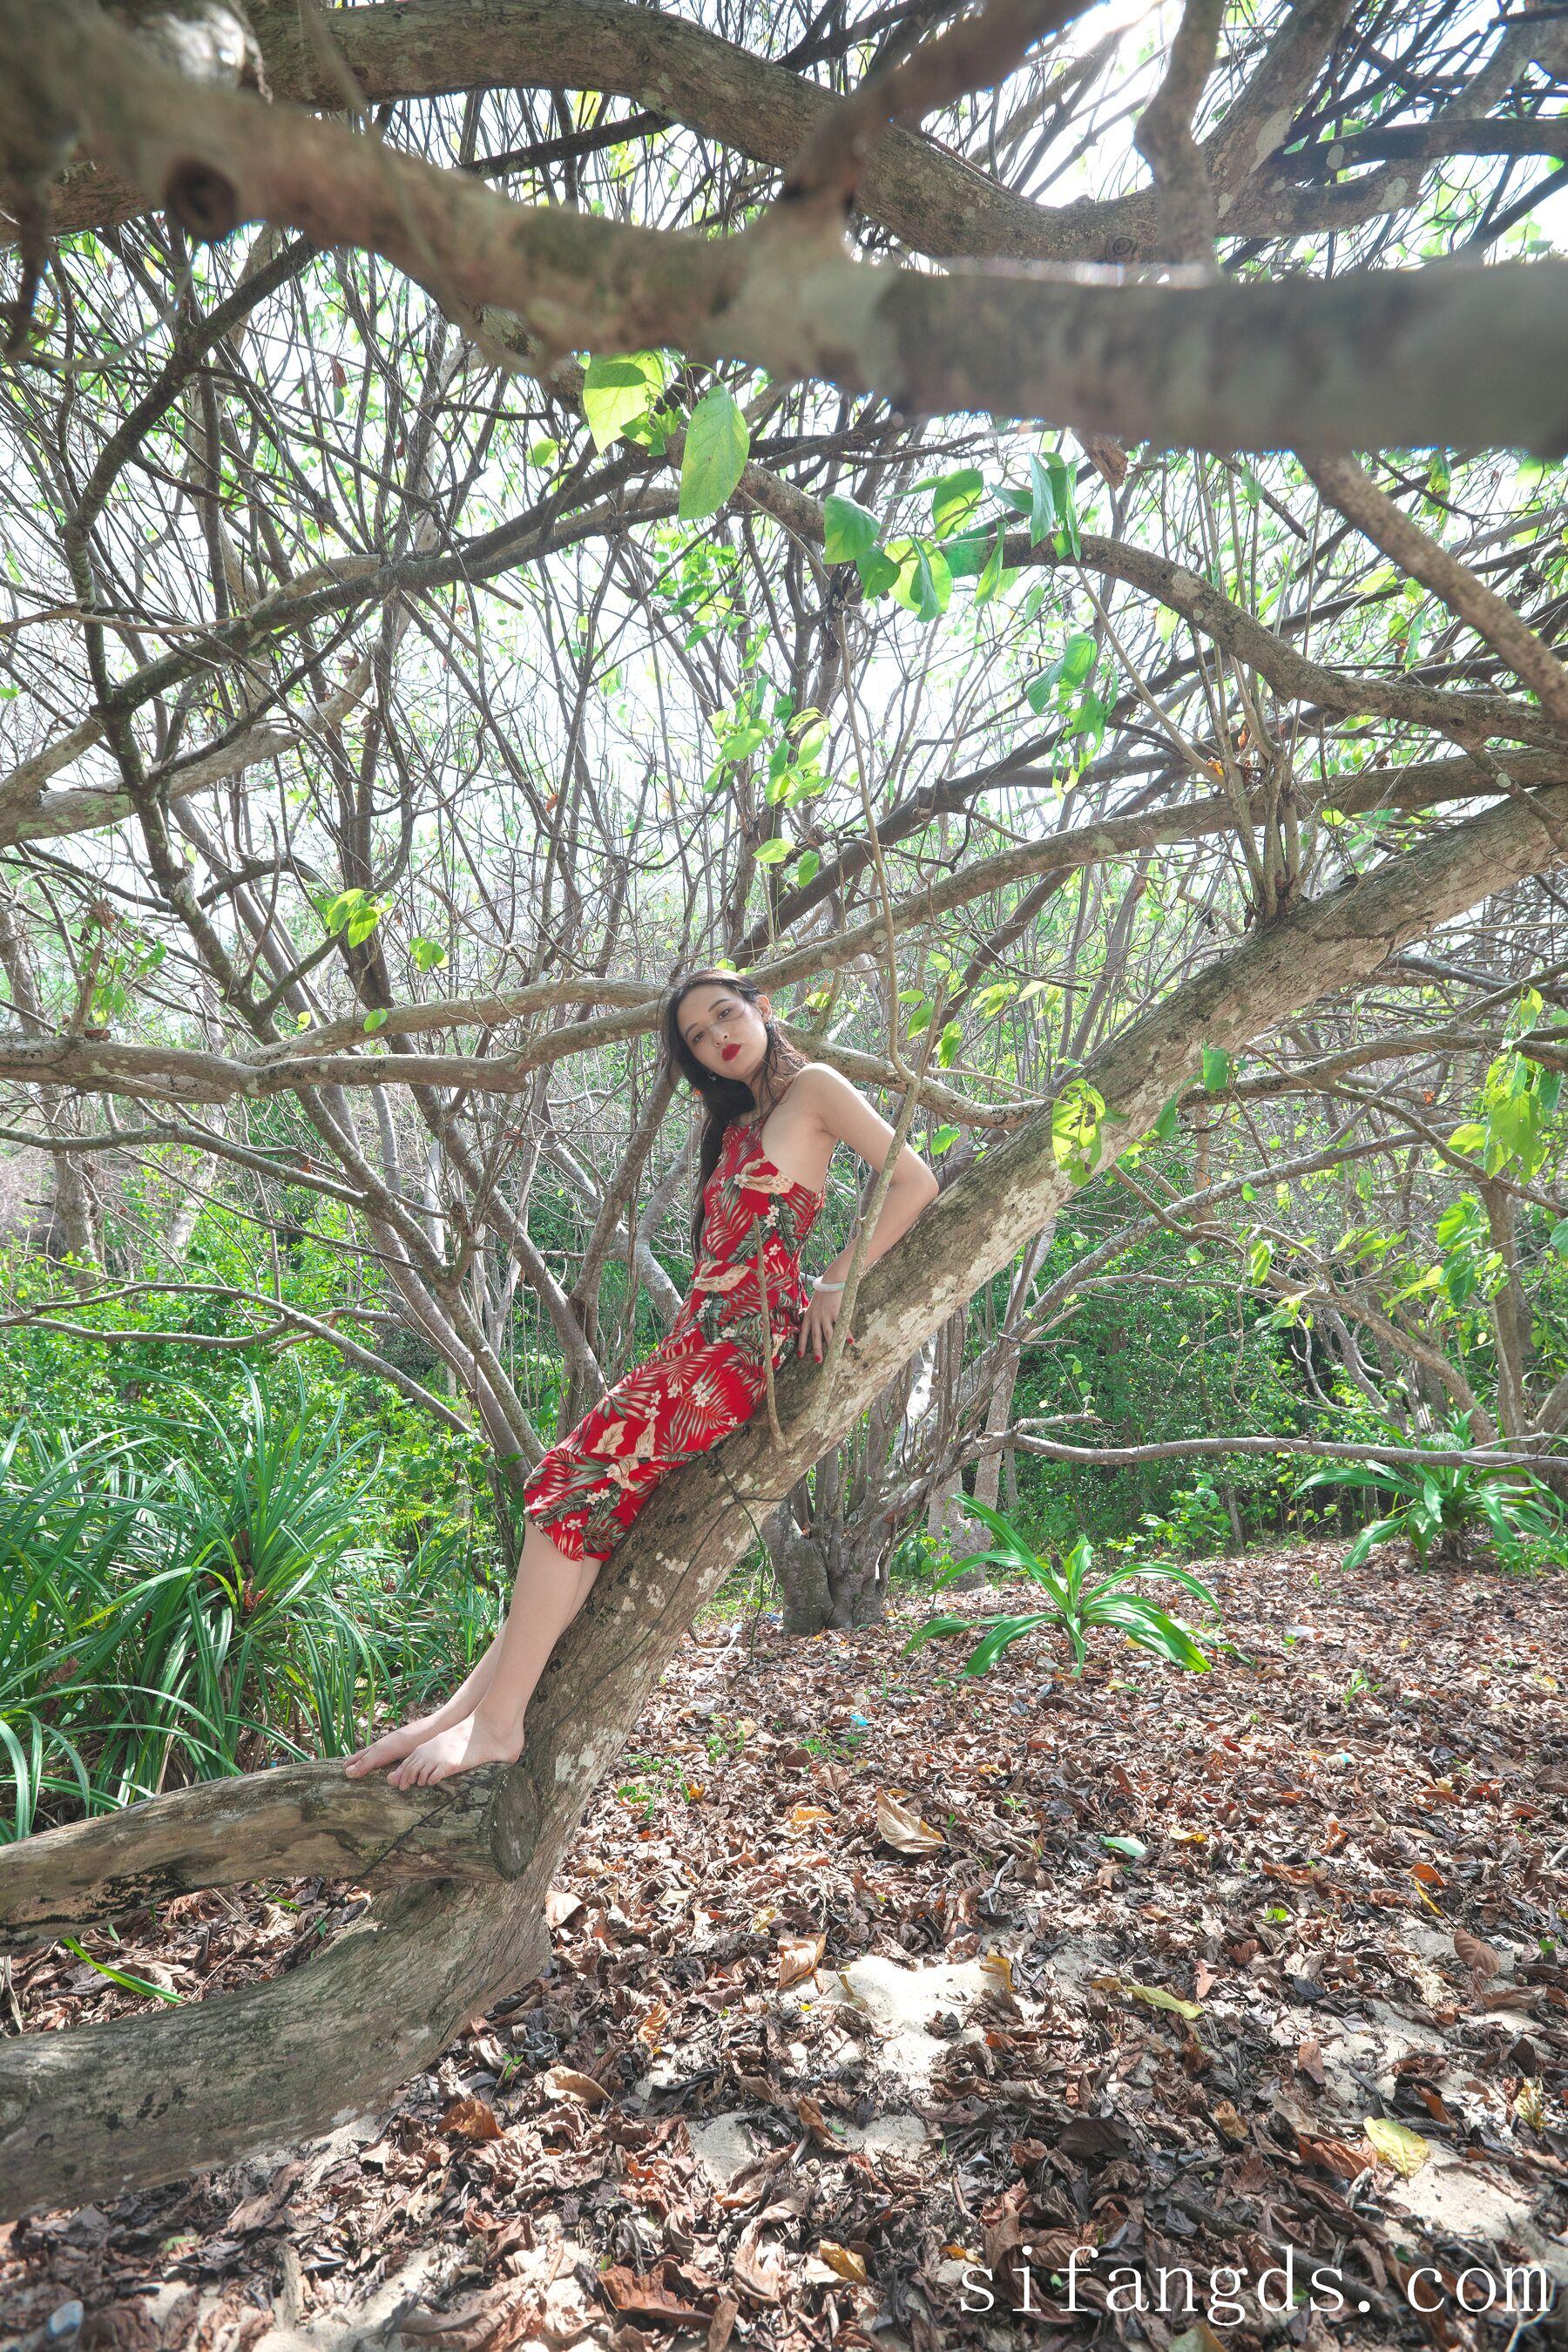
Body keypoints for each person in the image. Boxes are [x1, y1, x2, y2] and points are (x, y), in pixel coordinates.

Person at [343, 968, 940, 1787]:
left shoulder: (816, 1089)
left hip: (739, 1352)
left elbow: (915, 1180)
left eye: (725, 1015)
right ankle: (458, 1714)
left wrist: (836, 1280)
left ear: (763, 1009)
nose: (717, 1037)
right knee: (582, 1504)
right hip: (696, 1343)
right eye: (697, 1036)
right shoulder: (736, 1127)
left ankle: (499, 1724)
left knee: (566, 1482)